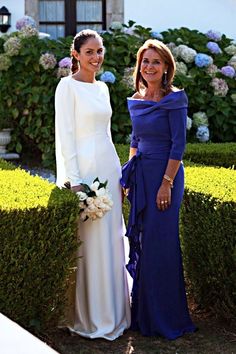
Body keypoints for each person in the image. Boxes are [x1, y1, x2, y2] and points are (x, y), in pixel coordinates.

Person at [55, 29, 130, 340]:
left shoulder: (103, 89)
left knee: (112, 238)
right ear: (76, 55)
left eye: (100, 51)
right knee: (89, 242)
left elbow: (108, 134)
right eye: (90, 52)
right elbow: (66, 135)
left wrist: (120, 174)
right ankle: (90, 316)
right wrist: (74, 181)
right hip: (84, 174)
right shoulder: (66, 87)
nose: (96, 57)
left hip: (108, 169)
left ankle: (115, 313)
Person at [120, 39, 196, 340]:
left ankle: (167, 318)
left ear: (166, 68)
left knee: (161, 245)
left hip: (167, 177)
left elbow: (179, 144)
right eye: (145, 61)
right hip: (143, 176)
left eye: (156, 62)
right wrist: (128, 177)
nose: (149, 67)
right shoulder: (137, 98)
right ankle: (143, 316)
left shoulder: (175, 99)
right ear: (140, 66)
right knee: (143, 242)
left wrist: (166, 183)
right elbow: (135, 140)